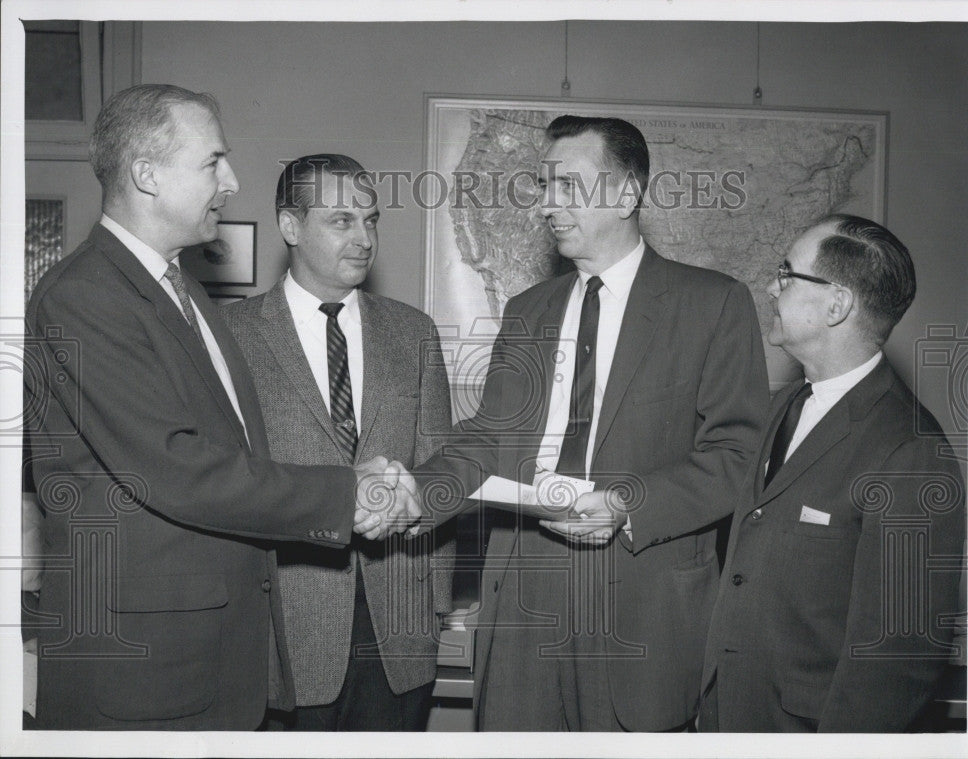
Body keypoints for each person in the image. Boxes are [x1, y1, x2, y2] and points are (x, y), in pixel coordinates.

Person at [23, 84, 417, 730]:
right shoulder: (85, 296)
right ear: (147, 175)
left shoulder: (185, 294)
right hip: (142, 677)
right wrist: (350, 493)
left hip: (210, 667)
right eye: (213, 162)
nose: (231, 180)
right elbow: (176, 468)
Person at [415, 115, 769, 731]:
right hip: (525, 596)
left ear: (627, 194)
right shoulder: (528, 310)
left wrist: (626, 503)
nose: (547, 204)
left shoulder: (712, 303)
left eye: (566, 185)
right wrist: (420, 489)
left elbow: (737, 453)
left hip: (642, 597)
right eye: (543, 185)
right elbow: (488, 436)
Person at [698, 215, 966, 732]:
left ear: (836, 305)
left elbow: (897, 660)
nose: (771, 286)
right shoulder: (784, 407)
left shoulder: (910, 451)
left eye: (786, 272)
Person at [221, 154, 454, 731]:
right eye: (342, 220)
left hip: (398, 629)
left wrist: (436, 610)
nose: (364, 238)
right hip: (281, 632)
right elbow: (221, 482)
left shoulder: (413, 331)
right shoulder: (231, 336)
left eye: (371, 220)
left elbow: (441, 468)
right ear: (290, 226)